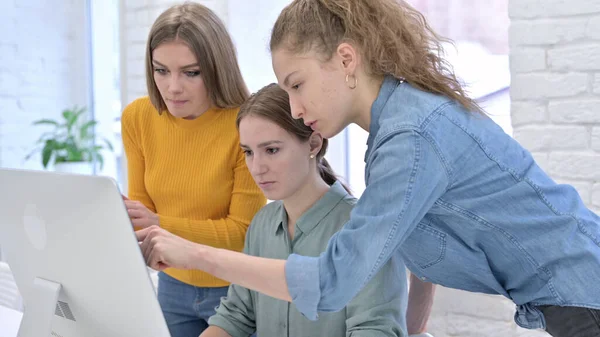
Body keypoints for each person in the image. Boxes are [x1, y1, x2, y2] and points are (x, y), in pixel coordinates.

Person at [136, 1, 600, 337]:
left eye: (297, 85)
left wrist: (191, 252)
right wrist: (412, 329)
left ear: (345, 59)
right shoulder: (395, 130)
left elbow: (332, 283)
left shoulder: (410, 136)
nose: (295, 109)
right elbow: (421, 246)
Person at [191, 83, 406, 336]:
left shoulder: (365, 230)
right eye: (249, 152)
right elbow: (237, 314)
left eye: (271, 150)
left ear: (313, 144)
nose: (257, 167)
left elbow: (374, 329)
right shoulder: (262, 224)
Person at [120, 3, 266, 337]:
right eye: (161, 71)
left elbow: (243, 233)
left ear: (217, 68)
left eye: (191, 72)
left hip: (236, 290)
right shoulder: (138, 118)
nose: (172, 87)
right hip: (171, 285)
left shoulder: (247, 123)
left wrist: (160, 226)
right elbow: (144, 219)